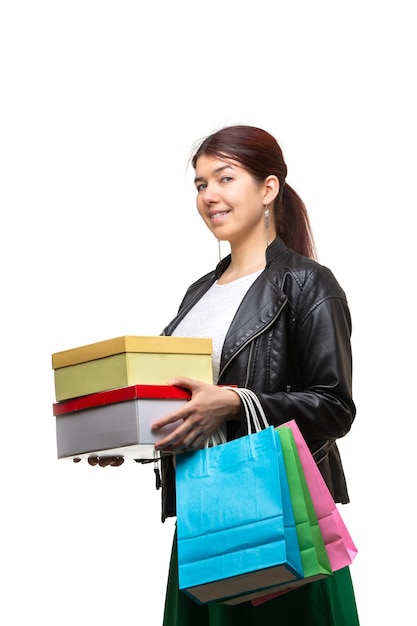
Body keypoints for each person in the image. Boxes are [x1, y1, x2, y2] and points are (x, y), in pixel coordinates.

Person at [90, 124, 360, 625]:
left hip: (279, 516)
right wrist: (125, 433)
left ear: (268, 189)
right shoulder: (199, 294)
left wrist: (236, 401)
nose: (209, 195)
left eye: (225, 178)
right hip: (206, 517)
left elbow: (335, 408)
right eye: (199, 184)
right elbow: (187, 403)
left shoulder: (306, 283)